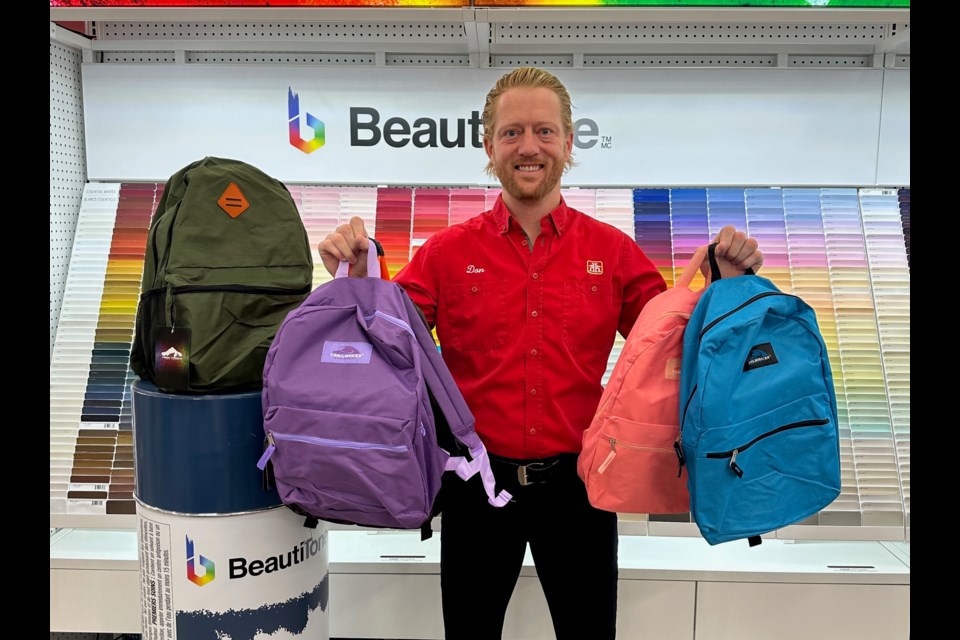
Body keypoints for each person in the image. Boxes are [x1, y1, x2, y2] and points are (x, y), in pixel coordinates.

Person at [319, 66, 764, 640]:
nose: (529, 147)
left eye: (544, 132)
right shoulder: (446, 253)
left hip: (580, 488)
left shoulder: (612, 252)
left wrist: (729, 288)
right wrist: (355, 280)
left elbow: (677, 350)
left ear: (568, 142)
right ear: (488, 146)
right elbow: (385, 345)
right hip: (476, 488)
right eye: (512, 133)